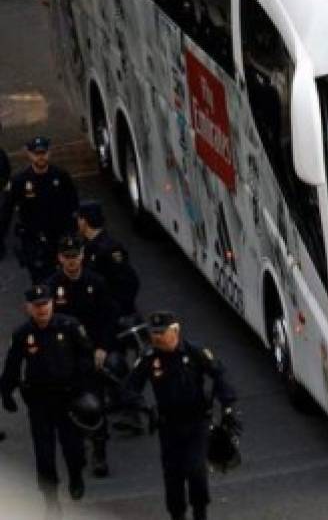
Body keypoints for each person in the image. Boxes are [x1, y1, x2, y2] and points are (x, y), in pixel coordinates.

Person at [125, 311, 238, 520]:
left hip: (196, 422)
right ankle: (177, 515)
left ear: (175, 330)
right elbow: (130, 388)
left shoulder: (195, 352)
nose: (157, 337)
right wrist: (145, 407)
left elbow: (219, 374)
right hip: (168, 425)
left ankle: (200, 512)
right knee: (173, 475)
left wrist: (227, 406)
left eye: (162, 332)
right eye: (154, 333)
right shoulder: (150, 359)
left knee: (196, 470)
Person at [1, 284, 93, 504]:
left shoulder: (69, 326)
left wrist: (82, 385)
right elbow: (13, 365)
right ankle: (50, 499)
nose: (42, 309)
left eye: (45, 304)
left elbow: (86, 356)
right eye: (37, 306)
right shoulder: (23, 334)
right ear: (28, 308)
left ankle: (76, 476)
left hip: (68, 398)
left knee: (74, 448)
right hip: (40, 401)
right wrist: (6, 392)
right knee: (44, 453)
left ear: (52, 304)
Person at [45, 236, 117, 478]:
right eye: (67, 257)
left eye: (75, 256)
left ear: (82, 256)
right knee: (68, 405)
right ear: (59, 258)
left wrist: (103, 348)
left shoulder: (96, 283)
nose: (72, 262)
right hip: (65, 355)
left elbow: (109, 318)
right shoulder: (52, 287)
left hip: (91, 352)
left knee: (95, 403)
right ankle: (76, 450)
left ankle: (100, 453)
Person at [0, 137, 80, 284]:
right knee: (41, 286)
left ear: (50, 153)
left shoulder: (61, 176)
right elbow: (6, 212)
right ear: (29, 154)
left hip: (59, 239)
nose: (41, 157)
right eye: (36, 153)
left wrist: (74, 234)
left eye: (44, 152)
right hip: (35, 242)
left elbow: (74, 206)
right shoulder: (20, 181)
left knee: (66, 283)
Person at [78, 201, 140, 320]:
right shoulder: (86, 246)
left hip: (110, 315)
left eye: (79, 219)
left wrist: (116, 309)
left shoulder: (110, 249)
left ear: (83, 221)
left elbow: (129, 282)